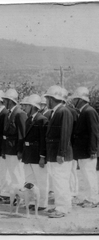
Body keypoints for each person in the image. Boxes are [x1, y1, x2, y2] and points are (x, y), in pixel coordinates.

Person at [44, 85, 74, 218]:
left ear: (53, 99)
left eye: (48, 98)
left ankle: (62, 208)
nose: (46, 101)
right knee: (59, 181)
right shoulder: (57, 112)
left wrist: (61, 152)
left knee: (60, 181)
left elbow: (65, 134)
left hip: (60, 154)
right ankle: (63, 206)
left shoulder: (63, 111)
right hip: (55, 153)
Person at [71, 87, 99, 208]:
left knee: (90, 176)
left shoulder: (89, 111)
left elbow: (94, 132)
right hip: (83, 151)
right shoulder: (83, 111)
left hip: (88, 151)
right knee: (86, 175)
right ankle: (89, 198)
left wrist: (93, 150)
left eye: (75, 99)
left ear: (80, 100)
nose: (73, 102)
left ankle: (93, 199)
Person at [22, 94, 49, 211]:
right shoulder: (29, 119)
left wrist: (42, 156)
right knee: (30, 180)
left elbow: (43, 140)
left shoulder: (42, 120)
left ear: (33, 106)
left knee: (41, 180)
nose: (24, 108)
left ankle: (42, 203)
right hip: (28, 154)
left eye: (27, 105)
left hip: (37, 154)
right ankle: (33, 201)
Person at [2, 89, 27, 203]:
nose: (4, 102)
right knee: (12, 175)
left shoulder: (19, 113)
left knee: (18, 175)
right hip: (9, 149)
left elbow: (22, 134)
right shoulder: (9, 114)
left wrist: (20, 150)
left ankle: (21, 198)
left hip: (15, 149)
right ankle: (15, 197)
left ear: (10, 101)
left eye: (5, 100)